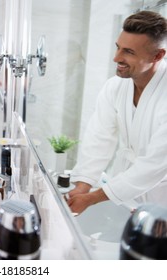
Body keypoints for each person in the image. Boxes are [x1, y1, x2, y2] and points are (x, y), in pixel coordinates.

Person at [68, 11, 167, 214]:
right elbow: (99, 138)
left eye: (129, 52)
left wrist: (93, 197)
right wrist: (82, 185)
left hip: (161, 198)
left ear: (158, 55)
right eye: (118, 47)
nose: (116, 58)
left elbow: (155, 164)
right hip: (126, 193)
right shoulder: (115, 87)